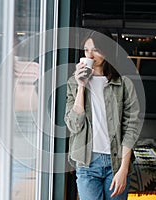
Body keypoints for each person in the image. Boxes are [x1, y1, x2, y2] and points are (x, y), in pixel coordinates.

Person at [64, 29, 141, 200]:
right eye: (86, 50)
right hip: (87, 162)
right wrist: (81, 86)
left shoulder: (124, 84)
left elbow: (132, 128)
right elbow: (74, 125)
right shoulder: (73, 83)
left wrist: (123, 169)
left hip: (116, 162)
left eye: (95, 50)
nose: (89, 55)